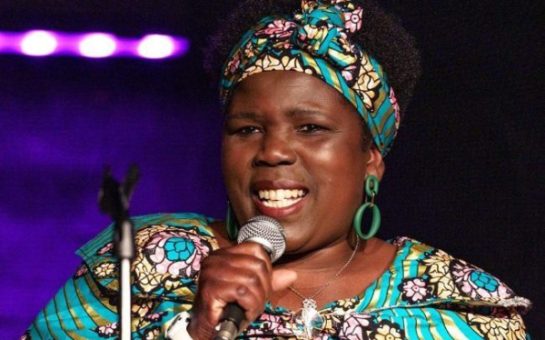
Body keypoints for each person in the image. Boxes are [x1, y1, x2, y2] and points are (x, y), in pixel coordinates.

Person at [24, 0, 531, 339]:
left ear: (370, 157)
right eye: (246, 129)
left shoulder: (459, 308)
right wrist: (193, 330)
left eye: (310, 129)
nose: (272, 152)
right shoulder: (141, 268)